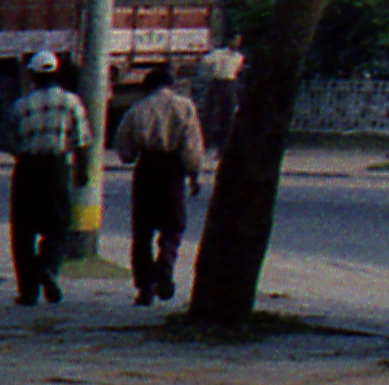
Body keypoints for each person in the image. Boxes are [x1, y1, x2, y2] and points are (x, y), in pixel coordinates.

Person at [110, 66, 207, 306]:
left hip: (147, 169)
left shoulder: (137, 110)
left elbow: (124, 149)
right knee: (174, 224)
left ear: (147, 87)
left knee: (142, 231)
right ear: (170, 85)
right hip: (172, 170)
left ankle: (144, 287)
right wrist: (194, 175)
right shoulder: (184, 107)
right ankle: (166, 260)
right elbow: (191, 146)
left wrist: (133, 154)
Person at [9, 51, 91, 306]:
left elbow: (12, 140)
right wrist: (82, 171)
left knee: (23, 232)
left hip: (27, 169)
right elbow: (82, 141)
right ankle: (49, 266)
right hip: (57, 168)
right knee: (57, 225)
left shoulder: (21, 105)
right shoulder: (72, 102)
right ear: (56, 73)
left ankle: (28, 291)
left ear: (32, 75)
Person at [199, 39, 244, 154]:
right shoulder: (219, 54)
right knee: (211, 113)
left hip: (230, 83)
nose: (236, 43)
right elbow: (205, 61)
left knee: (228, 115)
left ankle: (224, 145)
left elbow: (238, 70)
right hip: (218, 82)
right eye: (235, 40)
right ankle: (207, 143)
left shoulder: (239, 57)